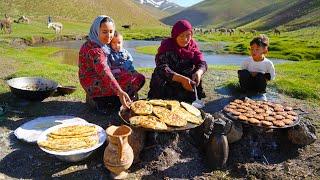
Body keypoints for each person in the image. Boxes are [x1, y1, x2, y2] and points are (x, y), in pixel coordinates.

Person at [78, 15, 145, 113]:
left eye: (111, 31)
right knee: (138, 78)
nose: (109, 36)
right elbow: (104, 71)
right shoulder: (95, 50)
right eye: (104, 32)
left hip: (93, 80)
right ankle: (105, 101)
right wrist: (119, 91)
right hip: (94, 83)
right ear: (97, 30)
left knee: (131, 75)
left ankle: (106, 99)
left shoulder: (96, 43)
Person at [148, 19, 207, 103]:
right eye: (181, 36)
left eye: (188, 35)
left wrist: (199, 72)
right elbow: (162, 67)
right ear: (175, 35)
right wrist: (181, 79)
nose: (185, 39)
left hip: (187, 83)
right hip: (168, 82)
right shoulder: (167, 46)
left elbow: (201, 62)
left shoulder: (192, 46)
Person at [238, 34, 275, 100]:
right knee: (243, 73)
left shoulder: (268, 63)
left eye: (257, 49)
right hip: (248, 85)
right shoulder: (247, 61)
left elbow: (271, 77)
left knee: (261, 75)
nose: (253, 51)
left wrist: (261, 75)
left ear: (265, 50)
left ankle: (261, 95)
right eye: (252, 49)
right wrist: (251, 74)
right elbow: (241, 75)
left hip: (260, 86)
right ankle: (244, 93)